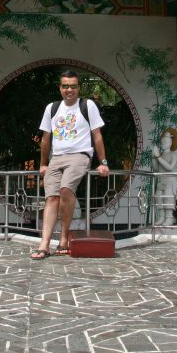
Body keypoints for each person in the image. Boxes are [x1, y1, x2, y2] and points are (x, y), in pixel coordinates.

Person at [31, 70, 109, 260]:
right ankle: (44, 244)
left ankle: (64, 237)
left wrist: (103, 162)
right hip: (57, 157)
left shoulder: (87, 105)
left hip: (80, 156)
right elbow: (46, 138)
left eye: (73, 86)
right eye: (65, 86)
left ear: (78, 88)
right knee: (51, 198)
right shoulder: (52, 108)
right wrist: (43, 164)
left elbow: (97, 135)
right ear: (60, 88)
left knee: (66, 189)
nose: (69, 90)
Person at [151, 127, 177, 226]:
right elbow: (156, 168)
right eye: (163, 142)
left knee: (168, 197)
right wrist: (154, 157)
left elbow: (170, 167)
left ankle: (169, 218)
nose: (164, 144)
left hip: (170, 180)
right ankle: (161, 217)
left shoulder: (173, 155)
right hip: (161, 180)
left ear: (171, 143)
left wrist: (158, 157)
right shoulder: (161, 155)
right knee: (158, 197)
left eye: (166, 142)